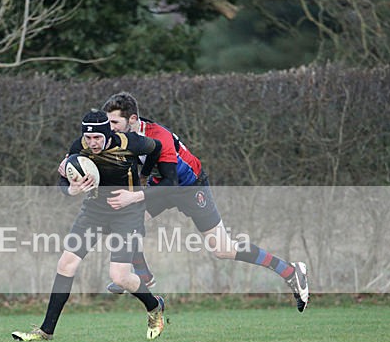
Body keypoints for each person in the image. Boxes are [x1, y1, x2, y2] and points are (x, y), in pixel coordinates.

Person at [101, 91, 310, 311]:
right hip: (160, 183)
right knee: (121, 218)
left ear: (132, 120)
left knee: (222, 249)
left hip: (190, 186)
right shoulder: (118, 138)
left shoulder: (157, 136)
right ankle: (140, 274)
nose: (110, 127)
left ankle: (290, 272)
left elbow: (171, 181)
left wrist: (135, 195)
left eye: (114, 122)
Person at [12, 109, 166, 341]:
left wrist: (144, 178)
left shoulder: (130, 142)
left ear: (107, 132)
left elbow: (157, 148)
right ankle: (45, 332)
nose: (92, 143)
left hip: (128, 212)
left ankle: (154, 307)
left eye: (97, 137)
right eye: (88, 137)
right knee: (66, 264)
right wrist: (71, 189)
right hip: (94, 210)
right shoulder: (79, 147)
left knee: (119, 276)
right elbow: (63, 180)